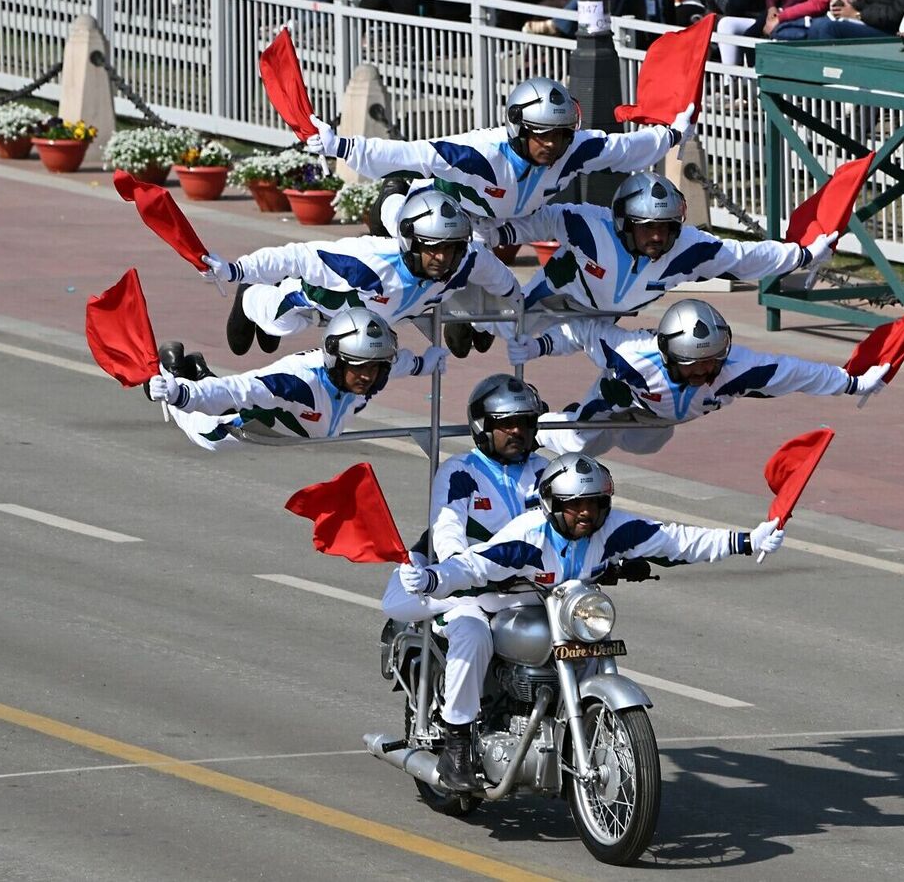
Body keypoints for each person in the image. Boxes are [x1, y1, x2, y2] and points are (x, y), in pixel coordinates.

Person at [384, 451, 786, 791]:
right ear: (552, 506)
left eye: (594, 503)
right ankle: (457, 745)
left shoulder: (612, 529)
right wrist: (436, 578)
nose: (585, 513)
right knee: (471, 633)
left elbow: (675, 539)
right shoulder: (527, 536)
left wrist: (747, 540)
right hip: (493, 600)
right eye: (574, 504)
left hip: (560, 607)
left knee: (585, 647)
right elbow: (475, 565)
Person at [510, 298, 892, 456]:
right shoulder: (629, 355)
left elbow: (794, 372)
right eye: (695, 366)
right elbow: (582, 332)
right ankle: (539, 423)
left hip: (661, 421)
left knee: (645, 447)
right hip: (621, 399)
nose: (707, 372)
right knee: (580, 444)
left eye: (713, 361)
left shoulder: (736, 367)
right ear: (670, 354)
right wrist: (539, 346)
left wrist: (853, 382)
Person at [303, 77, 693, 231]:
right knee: (456, 267)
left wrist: (672, 132)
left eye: (561, 135)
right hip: (453, 213)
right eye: (543, 135)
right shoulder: (479, 154)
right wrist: (339, 146)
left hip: (520, 220)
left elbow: (624, 150)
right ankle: (391, 199)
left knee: (587, 222)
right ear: (518, 129)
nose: (554, 146)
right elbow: (410, 152)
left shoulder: (575, 148)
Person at [485, 171, 839, 330]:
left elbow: (745, 258)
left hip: (603, 323)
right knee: (502, 326)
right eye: (648, 227)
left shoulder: (689, 248)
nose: (658, 236)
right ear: (624, 221)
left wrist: (803, 254)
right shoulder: (586, 224)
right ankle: (474, 327)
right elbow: (539, 220)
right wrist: (493, 231)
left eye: (666, 227)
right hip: (552, 303)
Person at [198, 188, 520, 357]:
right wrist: (237, 270)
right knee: (280, 323)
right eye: (432, 247)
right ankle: (250, 297)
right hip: (315, 305)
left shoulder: (469, 257)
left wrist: (520, 309)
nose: (441, 257)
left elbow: (506, 286)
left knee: (462, 333)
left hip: (388, 316)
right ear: (410, 242)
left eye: (450, 248)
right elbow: (294, 256)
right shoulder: (364, 263)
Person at [144, 307, 447, 450]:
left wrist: (425, 363)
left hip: (302, 429)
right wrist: (180, 395)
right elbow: (236, 389)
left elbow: (398, 363)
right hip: (232, 430)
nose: (367, 375)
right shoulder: (298, 384)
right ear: (336, 359)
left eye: (374, 366)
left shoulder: (372, 371)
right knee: (203, 432)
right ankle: (170, 372)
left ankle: (195, 372)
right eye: (358, 366)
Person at [429, 374, 551, 559]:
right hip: (480, 581)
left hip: (540, 579)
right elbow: (447, 527)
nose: (517, 430)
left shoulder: (545, 470)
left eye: (524, 422)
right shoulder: (460, 471)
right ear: (482, 426)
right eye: (507, 423)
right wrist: (456, 564)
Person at [804, 0, 904, 38]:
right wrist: (844, 5)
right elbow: (863, 0)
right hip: (863, 20)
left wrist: (857, 14)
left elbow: (894, 15)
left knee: (828, 28)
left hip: (887, 31)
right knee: (816, 24)